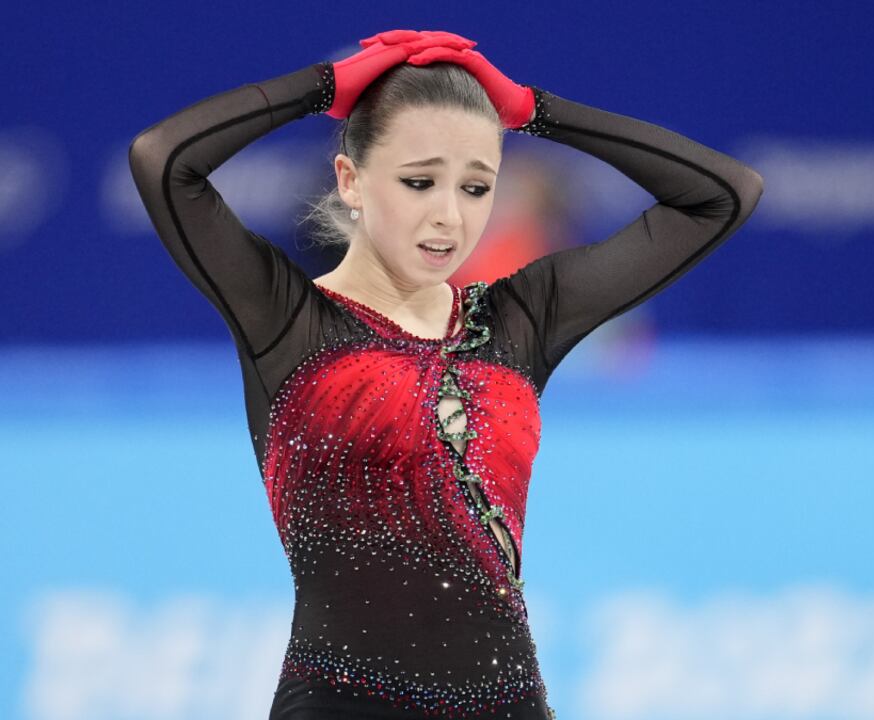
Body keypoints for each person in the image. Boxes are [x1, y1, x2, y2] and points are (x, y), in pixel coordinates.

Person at [129, 28, 763, 720]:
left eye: (475, 186)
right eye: (418, 181)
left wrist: (532, 109)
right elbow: (164, 161)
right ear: (351, 180)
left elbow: (724, 195)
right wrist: (324, 87)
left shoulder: (519, 321)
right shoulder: (289, 320)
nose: (448, 216)